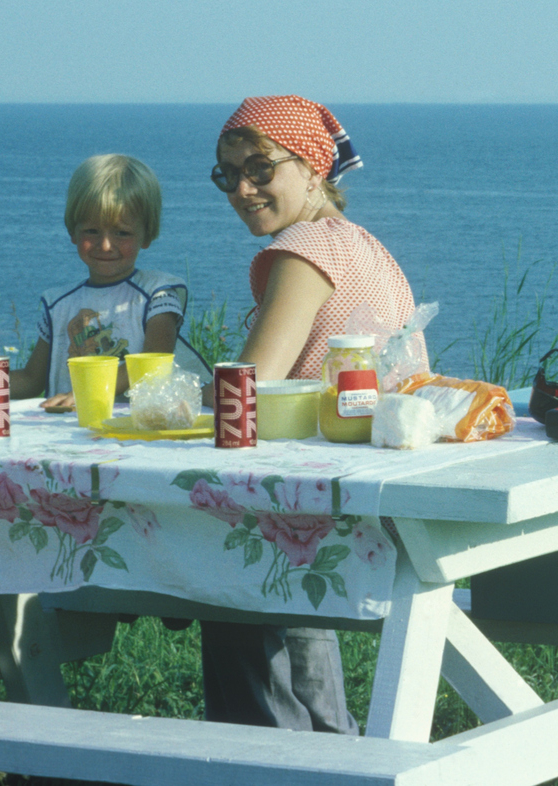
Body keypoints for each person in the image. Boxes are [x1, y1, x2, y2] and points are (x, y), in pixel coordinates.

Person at [202, 95, 416, 734]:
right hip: (371, 502)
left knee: (219, 571)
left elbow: (250, 388)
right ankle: (331, 760)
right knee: (308, 679)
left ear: (314, 166)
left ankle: (260, 769)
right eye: (227, 174)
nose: (242, 188)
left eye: (261, 168)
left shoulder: (303, 250)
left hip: (311, 509)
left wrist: (168, 396)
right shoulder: (362, 245)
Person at [9, 154, 209, 410]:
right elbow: (31, 380)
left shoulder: (156, 296)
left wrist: (89, 391)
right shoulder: (58, 304)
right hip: (62, 437)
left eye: (122, 233)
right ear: (72, 231)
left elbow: (154, 363)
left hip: (132, 434)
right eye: (92, 231)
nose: (105, 245)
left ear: (146, 236)